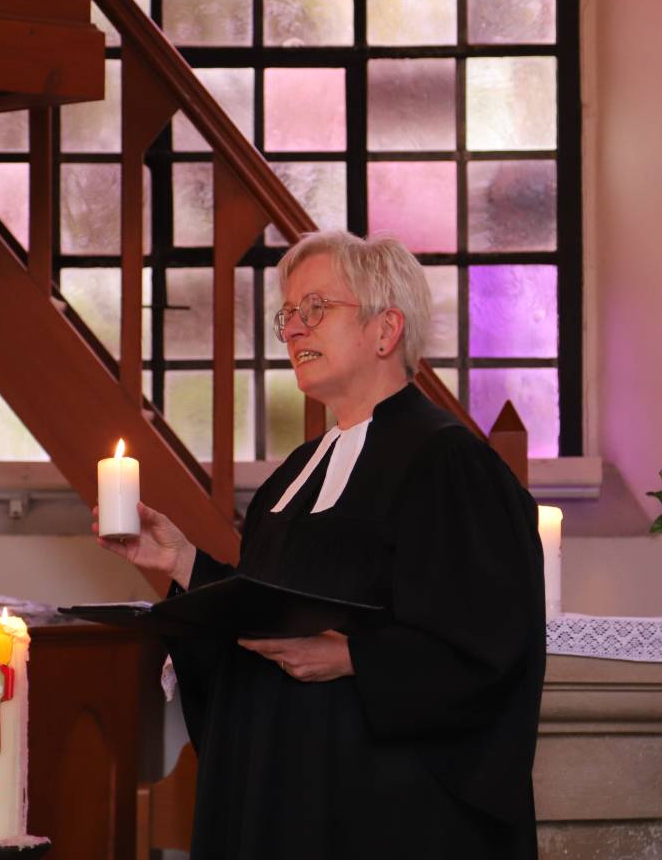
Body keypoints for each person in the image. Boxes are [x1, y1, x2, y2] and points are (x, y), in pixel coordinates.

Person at [94, 230, 546, 859]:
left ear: (384, 330)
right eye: (288, 316)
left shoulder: (449, 461)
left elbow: (492, 640)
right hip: (280, 778)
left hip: (378, 804)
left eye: (315, 310)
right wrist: (182, 563)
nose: (295, 331)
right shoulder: (297, 472)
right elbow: (270, 606)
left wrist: (358, 658)